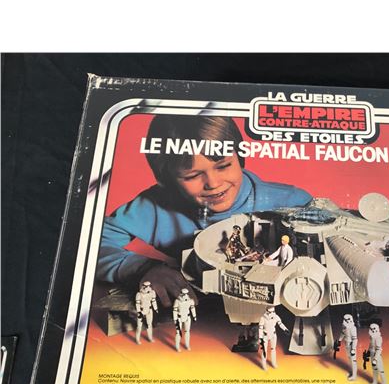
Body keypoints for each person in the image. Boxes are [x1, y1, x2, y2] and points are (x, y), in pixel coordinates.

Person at [97, 115, 312, 306]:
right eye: (192, 176)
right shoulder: (153, 206)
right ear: (167, 179)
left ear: (240, 156)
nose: (213, 183)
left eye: (223, 166)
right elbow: (91, 244)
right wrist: (142, 268)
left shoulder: (293, 201)